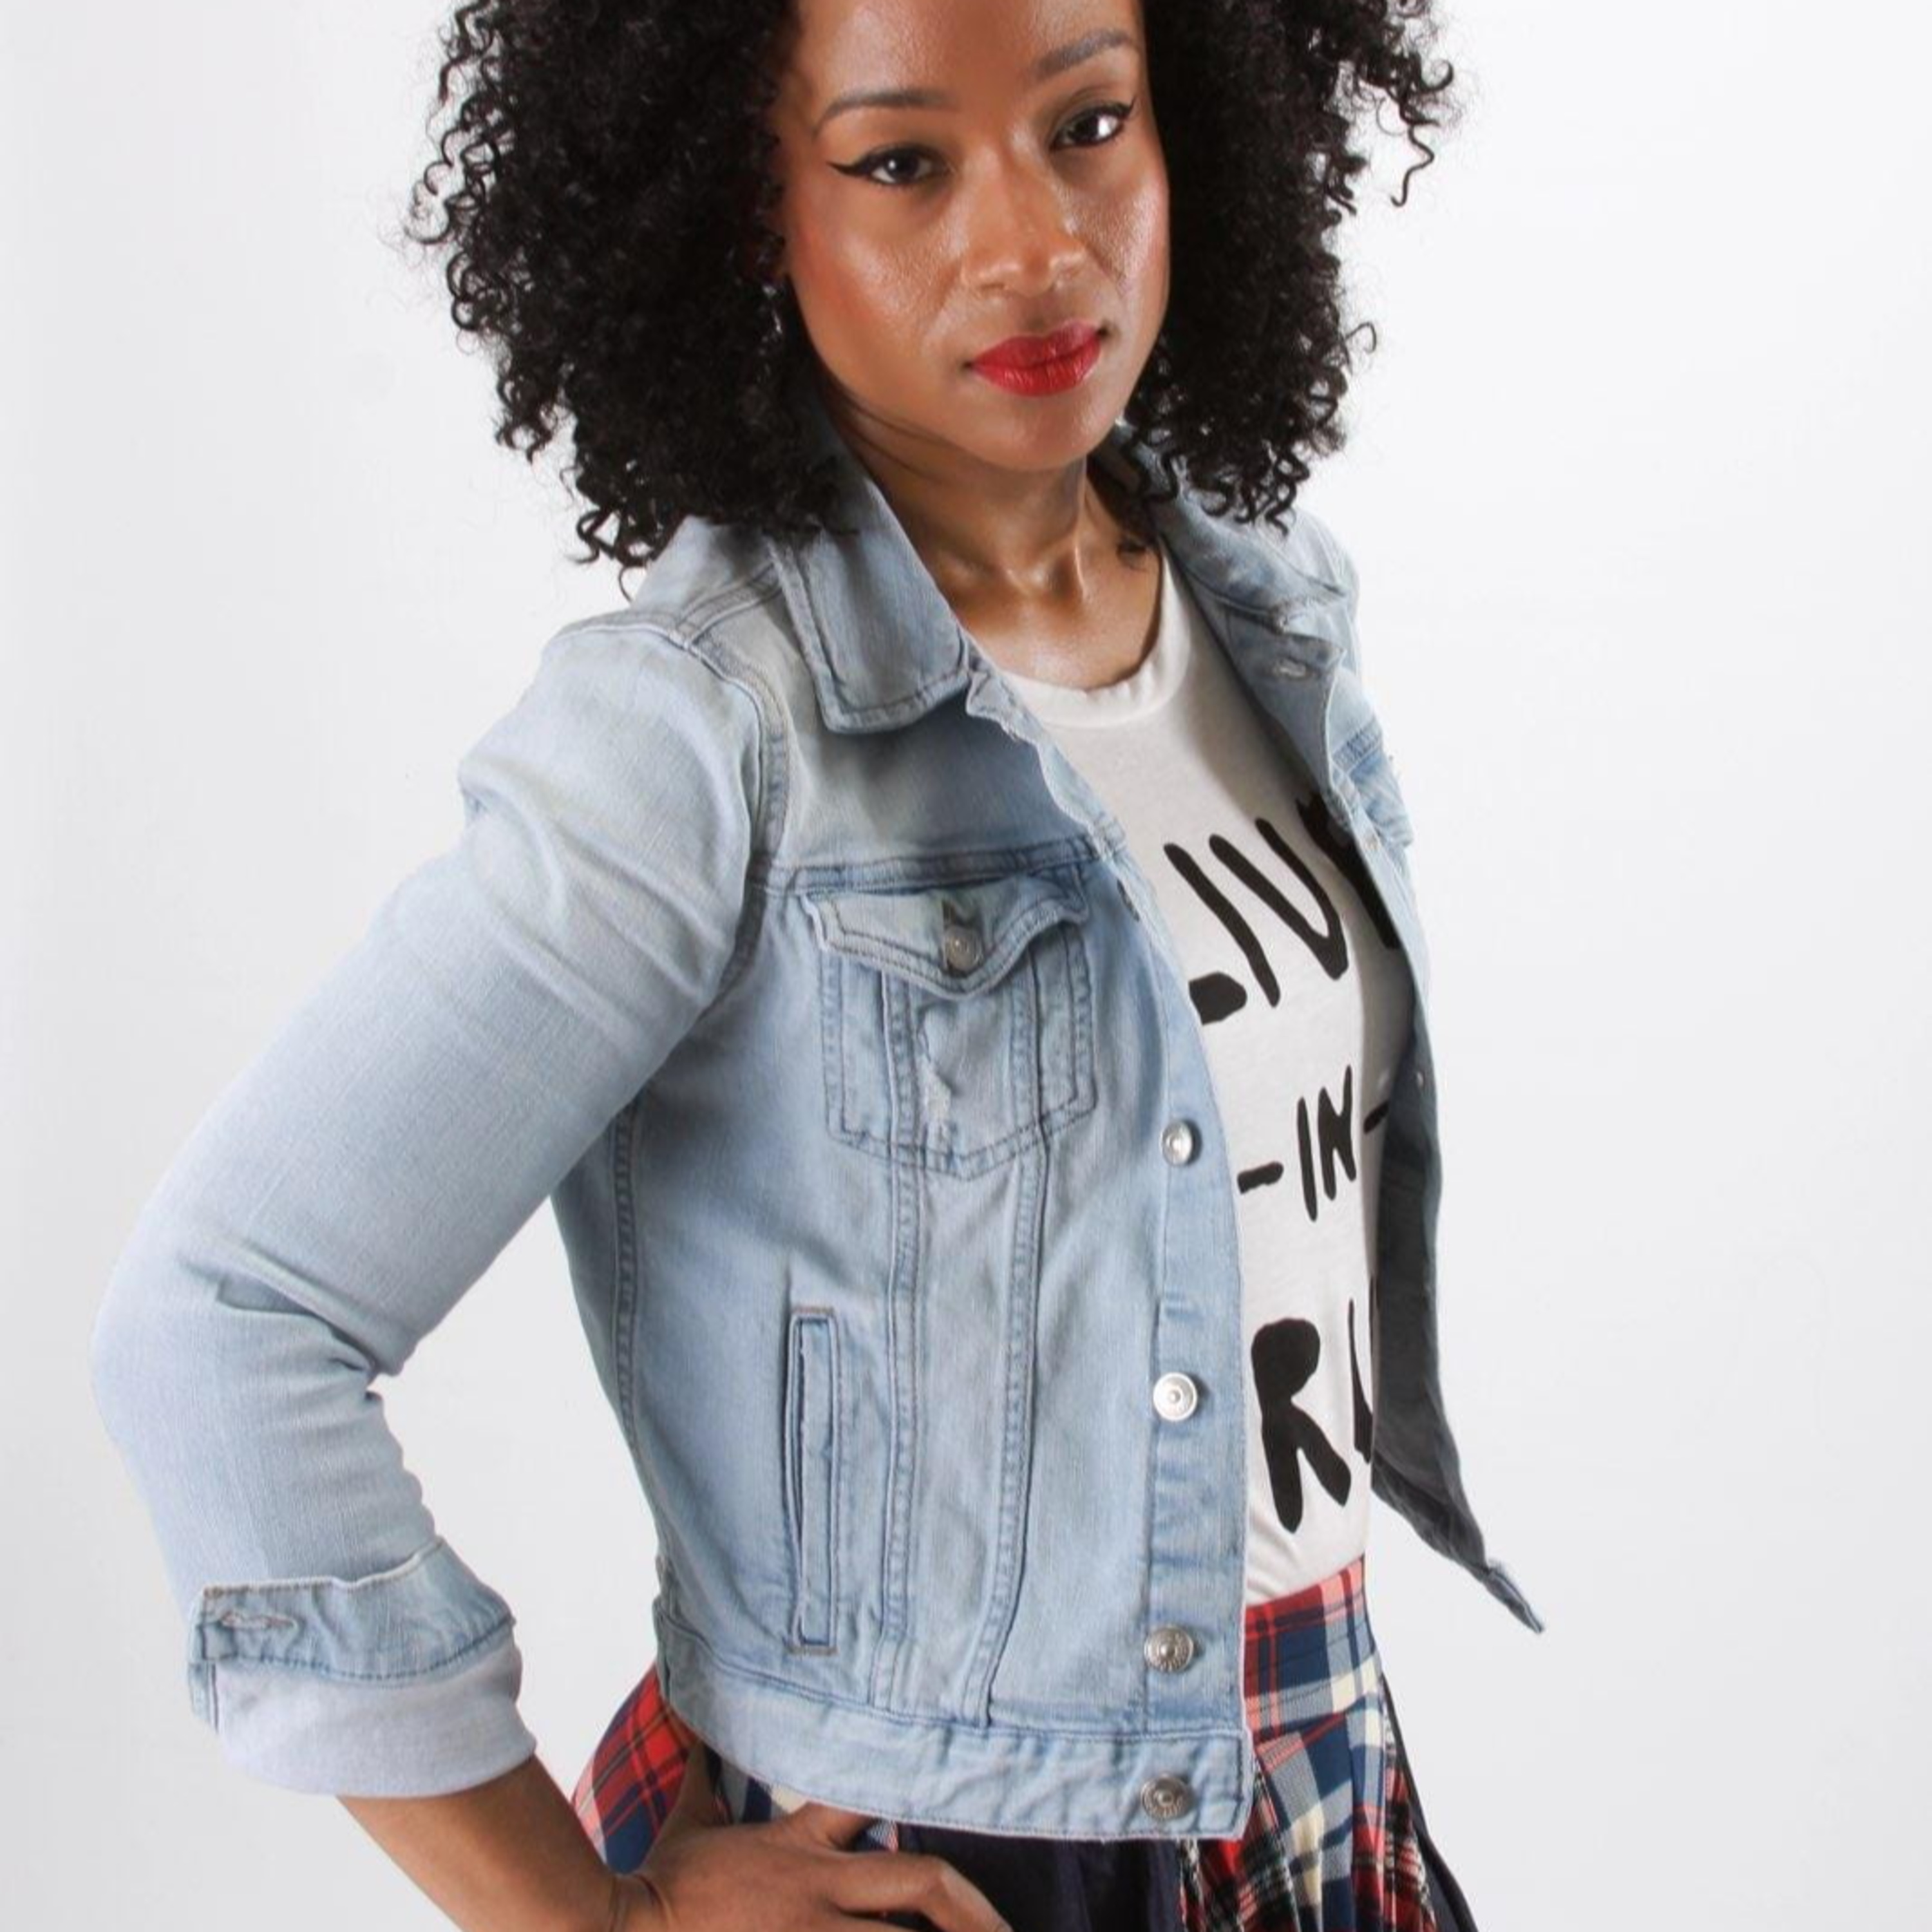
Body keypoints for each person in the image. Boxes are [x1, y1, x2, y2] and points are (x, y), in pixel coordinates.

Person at [90, 1, 1544, 1928]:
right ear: (746, 209)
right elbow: (224, 1320)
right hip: (953, 1856)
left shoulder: (1267, 608)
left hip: (1316, 1774)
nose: (1033, 244)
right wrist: (587, 1916)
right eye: (902, 162)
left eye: (1089, 123)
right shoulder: (706, 734)